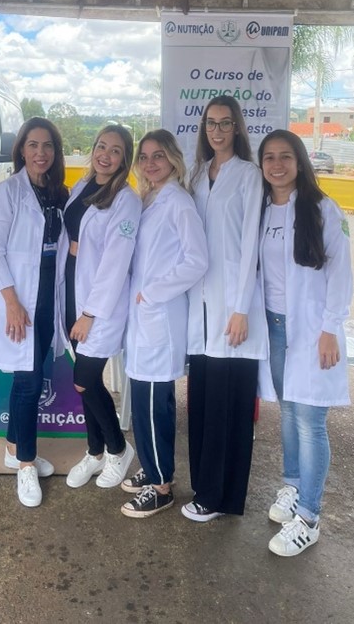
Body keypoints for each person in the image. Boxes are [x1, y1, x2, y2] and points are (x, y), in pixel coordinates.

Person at [258, 129, 352, 556]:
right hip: (276, 327)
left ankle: (310, 516)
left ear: (299, 162)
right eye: (269, 157)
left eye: (285, 156)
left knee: (310, 421)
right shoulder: (262, 209)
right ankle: (293, 486)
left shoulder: (323, 209)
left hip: (313, 330)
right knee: (289, 411)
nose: (277, 165)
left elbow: (341, 274)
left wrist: (330, 328)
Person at [184, 96, 268, 522]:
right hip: (199, 308)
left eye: (225, 123)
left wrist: (240, 308)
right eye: (211, 123)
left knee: (228, 409)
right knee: (201, 405)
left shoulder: (249, 175)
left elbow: (251, 244)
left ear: (237, 128)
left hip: (233, 308)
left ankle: (219, 497)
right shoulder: (198, 174)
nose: (217, 130)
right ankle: (205, 488)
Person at [0, 118, 69, 507]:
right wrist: (12, 302)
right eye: (33, 145)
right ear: (21, 150)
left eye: (47, 146)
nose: (40, 153)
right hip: (19, 299)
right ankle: (26, 465)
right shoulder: (8, 192)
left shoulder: (59, 192)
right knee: (30, 382)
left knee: (29, 376)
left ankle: (15, 448)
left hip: (48, 296)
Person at [120, 130, 208, 517]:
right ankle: (154, 466)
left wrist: (153, 293)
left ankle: (161, 487)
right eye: (144, 157)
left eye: (158, 155)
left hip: (160, 314)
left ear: (172, 158)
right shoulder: (149, 198)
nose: (150, 163)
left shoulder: (178, 202)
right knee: (145, 400)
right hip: (143, 317)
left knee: (154, 403)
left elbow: (197, 259)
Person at [57, 124, 142, 491]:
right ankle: (94, 451)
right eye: (101, 146)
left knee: (85, 380)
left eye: (115, 150)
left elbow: (116, 262)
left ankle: (118, 449)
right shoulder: (83, 185)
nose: (105, 155)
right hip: (71, 289)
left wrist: (90, 313)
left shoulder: (126, 199)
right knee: (84, 384)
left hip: (98, 303)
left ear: (125, 159)